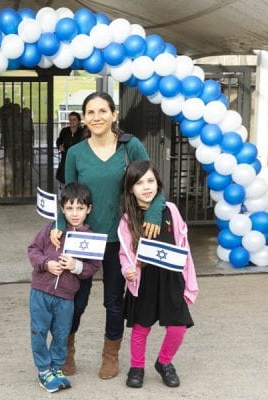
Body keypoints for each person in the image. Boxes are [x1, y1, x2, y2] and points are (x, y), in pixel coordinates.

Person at [50, 91, 166, 379]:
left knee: (113, 302)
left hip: (119, 240)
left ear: (114, 115)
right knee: (75, 300)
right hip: (84, 239)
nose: (97, 117)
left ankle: (110, 355)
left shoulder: (130, 146)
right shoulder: (75, 153)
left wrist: (153, 212)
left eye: (103, 111)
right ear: (84, 118)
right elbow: (67, 196)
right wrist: (59, 225)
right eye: (90, 112)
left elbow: (152, 184)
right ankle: (66, 350)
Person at [118, 160, 198, 389]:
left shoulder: (170, 210)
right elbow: (124, 252)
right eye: (139, 183)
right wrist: (127, 269)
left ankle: (164, 362)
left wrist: (189, 282)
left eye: (150, 181)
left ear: (158, 183)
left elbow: (183, 246)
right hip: (145, 281)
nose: (146, 187)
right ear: (130, 189)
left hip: (171, 280)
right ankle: (137, 366)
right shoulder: (128, 219)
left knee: (177, 328)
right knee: (141, 328)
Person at [27, 182, 101, 393]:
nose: (75, 213)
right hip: (41, 292)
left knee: (61, 334)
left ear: (89, 209)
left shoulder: (91, 239)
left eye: (80, 208)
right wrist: (46, 264)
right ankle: (44, 370)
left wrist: (75, 266)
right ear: (62, 209)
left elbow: (93, 267)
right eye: (69, 208)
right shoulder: (52, 230)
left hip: (66, 297)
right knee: (39, 331)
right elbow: (33, 249)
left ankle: (56, 368)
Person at [55, 111, 84, 185]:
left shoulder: (82, 132)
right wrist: (59, 146)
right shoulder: (64, 131)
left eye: (74, 119)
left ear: (79, 121)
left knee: (76, 178)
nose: (72, 121)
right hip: (65, 156)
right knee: (64, 177)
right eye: (70, 119)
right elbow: (59, 140)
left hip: (78, 158)